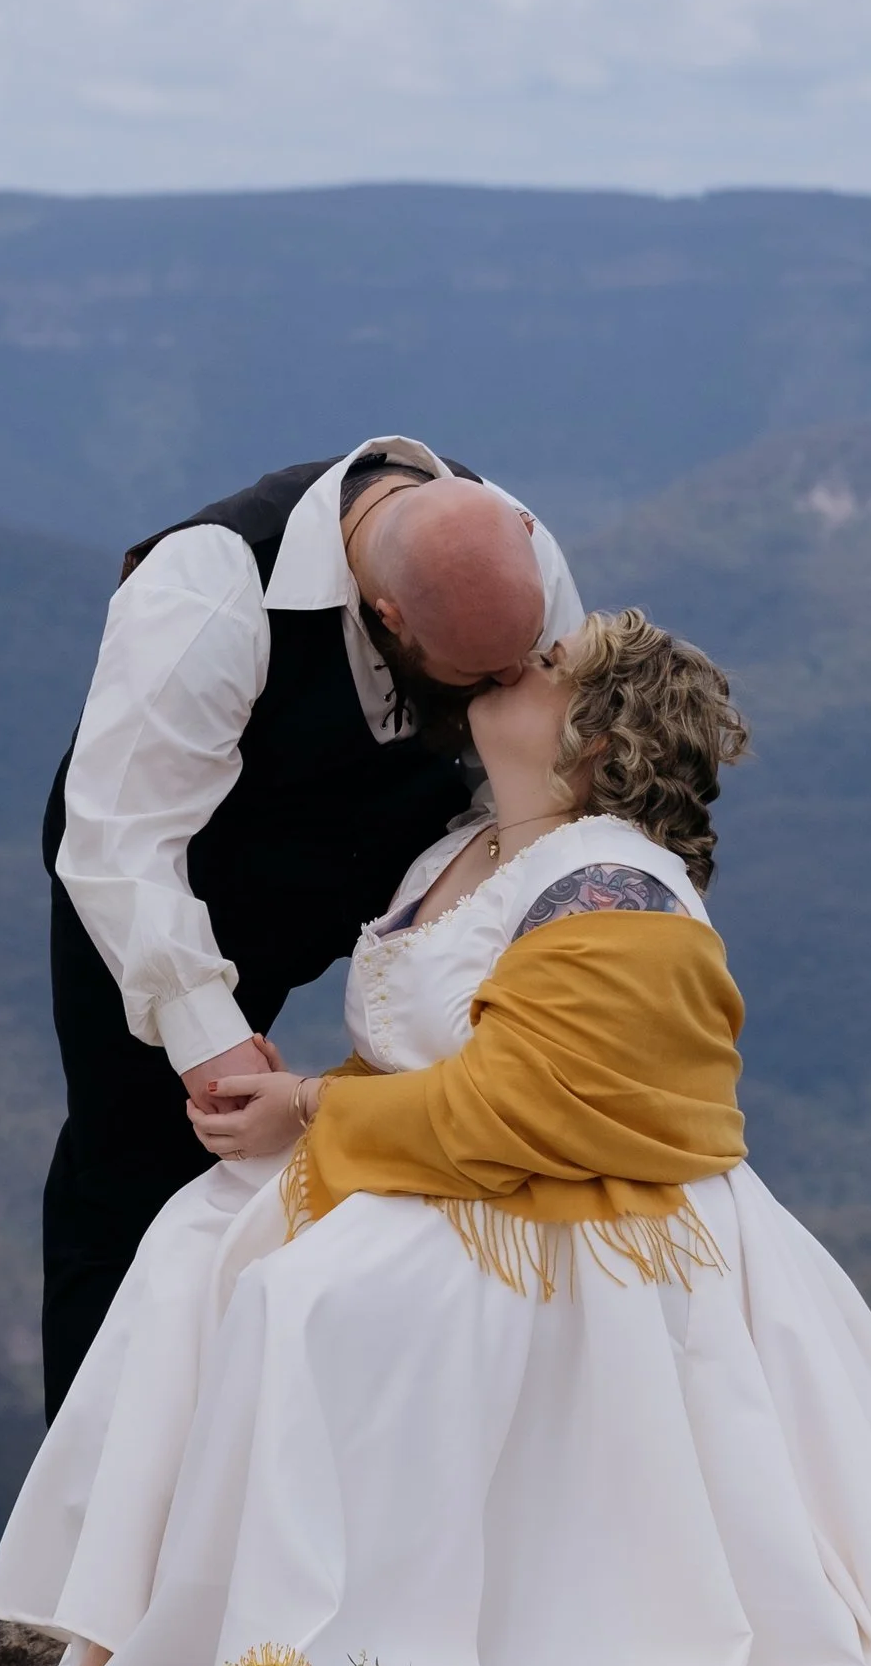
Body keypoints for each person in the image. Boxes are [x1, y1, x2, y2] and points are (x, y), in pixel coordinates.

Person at [0, 611, 871, 1666]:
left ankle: (220, 1661)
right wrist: (297, 1100)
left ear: (594, 742)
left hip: (582, 1219)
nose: (513, 663)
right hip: (461, 1170)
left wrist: (316, 1111)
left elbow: (547, 1106)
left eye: (548, 669)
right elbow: (435, 1049)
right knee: (194, 1239)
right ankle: (115, 1648)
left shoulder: (617, 891)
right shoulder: (471, 847)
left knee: (305, 1302)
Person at [38, 437, 581, 1417]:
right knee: (133, 1175)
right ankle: (110, 1491)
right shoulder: (208, 581)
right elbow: (120, 840)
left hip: (415, 843)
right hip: (192, 866)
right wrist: (208, 1037)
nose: (503, 691)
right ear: (384, 616)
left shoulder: (505, 550)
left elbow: (554, 774)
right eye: (472, 677)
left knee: (471, 1133)